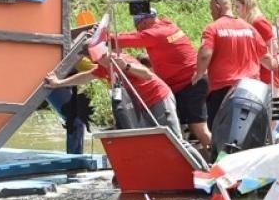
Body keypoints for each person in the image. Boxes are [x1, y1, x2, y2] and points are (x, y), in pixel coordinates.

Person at [116, 1, 212, 147]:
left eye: (139, 28)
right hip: (186, 83)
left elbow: (123, 40)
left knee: (199, 129)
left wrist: (103, 36)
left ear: (145, 22)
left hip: (190, 84)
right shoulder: (168, 26)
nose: (139, 31)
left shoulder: (155, 33)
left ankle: (224, 162)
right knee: (189, 129)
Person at [45, 49, 181, 138]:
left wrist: (126, 67)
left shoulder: (121, 58)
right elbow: (86, 76)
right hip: (140, 105)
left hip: (158, 97)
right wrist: (59, 83)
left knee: (174, 138)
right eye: (96, 59)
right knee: (151, 138)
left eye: (101, 57)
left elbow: (147, 74)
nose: (99, 61)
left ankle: (197, 169)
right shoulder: (103, 67)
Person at [193, 0, 266, 138]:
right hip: (251, 90)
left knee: (222, 135)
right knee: (250, 134)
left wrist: (199, 74)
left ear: (218, 7)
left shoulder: (213, 28)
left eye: (211, 9)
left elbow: (205, 53)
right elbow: (266, 58)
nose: (211, 13)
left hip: (225, 90)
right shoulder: (249, 28)